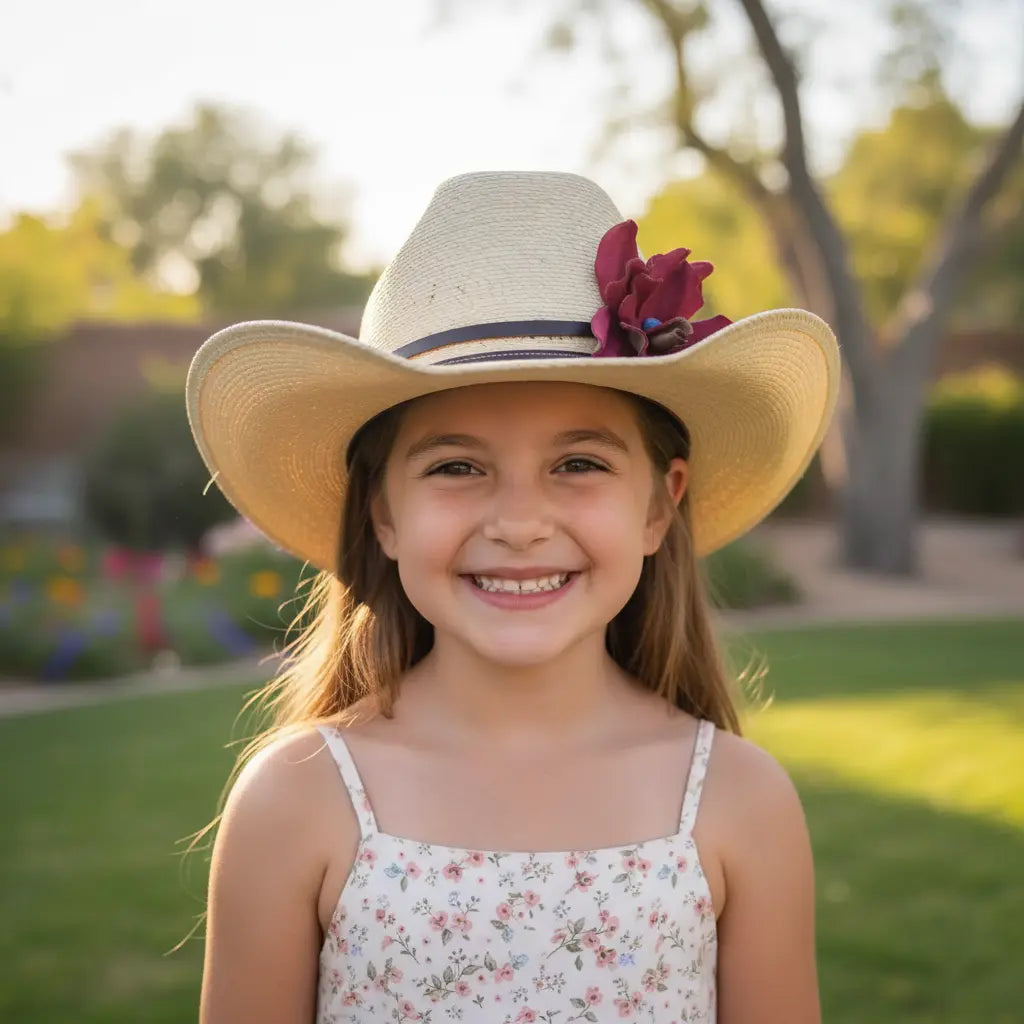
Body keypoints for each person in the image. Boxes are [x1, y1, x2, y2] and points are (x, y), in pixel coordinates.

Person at [188, 171, 839, 1024]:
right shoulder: (298, 800)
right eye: (456, 467)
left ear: (658, 504)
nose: (521, 523)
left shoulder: (738, 802)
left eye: (580, 464)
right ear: (383, 512)